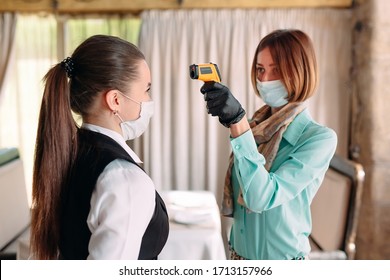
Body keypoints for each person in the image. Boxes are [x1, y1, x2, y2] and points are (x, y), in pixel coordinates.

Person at [199, 29, 337, 260]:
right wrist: (242, 126)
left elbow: (261, 197)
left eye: (277, 70)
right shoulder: (256, 129)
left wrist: (238, 124)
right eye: (261, 69)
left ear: (301, 71)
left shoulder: (318, 139)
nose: (264, 79)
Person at [31, 34, 169, 260]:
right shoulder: (124, 179)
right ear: (115, 100)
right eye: (146, 89)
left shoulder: (69, 152)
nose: (148, 99)